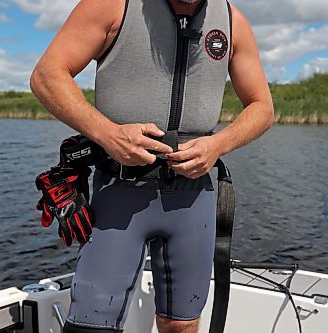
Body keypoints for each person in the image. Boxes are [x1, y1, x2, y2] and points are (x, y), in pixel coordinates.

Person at [30, 0, 273, 332]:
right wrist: (109, 134)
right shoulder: (112, 6)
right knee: (90, 326)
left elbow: (262, 107)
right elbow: (47, 75)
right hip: (118, 193)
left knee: (182, 325)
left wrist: (217, 145)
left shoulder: (233, 21)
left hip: (193, 197)